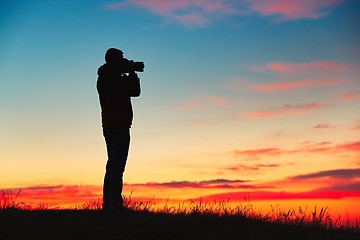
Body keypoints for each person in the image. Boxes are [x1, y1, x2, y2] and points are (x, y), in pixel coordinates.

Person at [97, 48, 141, 211]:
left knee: (113, 165)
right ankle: (113, 202)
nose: (123, 62)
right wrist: (131, 73)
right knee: (117, 166)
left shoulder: (107, 77)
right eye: (121, 59)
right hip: (118, 125)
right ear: (113, 60)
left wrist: (127, 70)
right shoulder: (111, 78)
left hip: (112, 124)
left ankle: (110, 202)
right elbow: (135, 91)